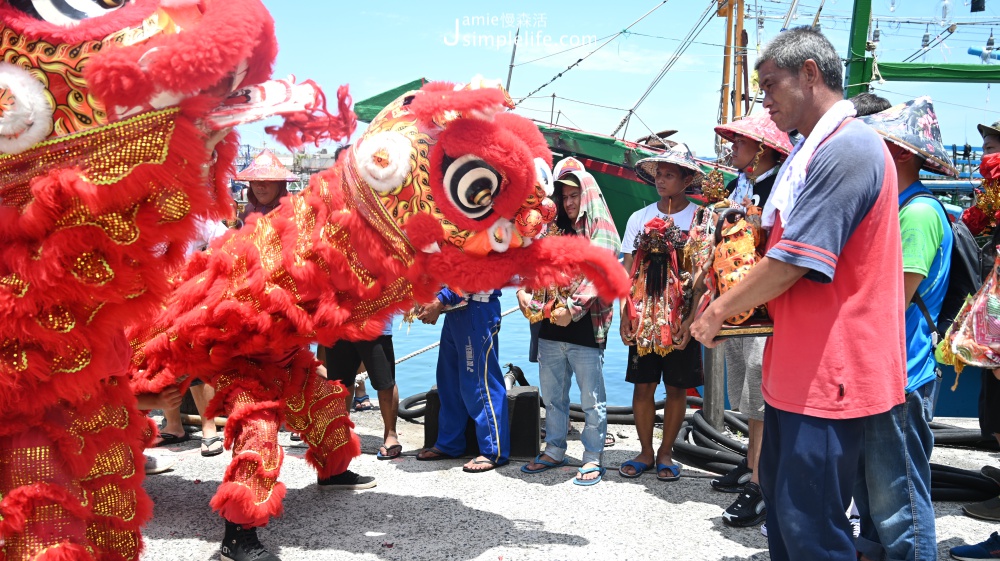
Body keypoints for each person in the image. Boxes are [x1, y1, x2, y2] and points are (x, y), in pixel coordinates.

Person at [691, 27, 906, 561]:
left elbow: (794, 259)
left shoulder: (850, 147)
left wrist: (719, 310)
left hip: (830, 373)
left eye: (769, 85)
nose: (763, 99)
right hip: (796, 370)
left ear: (810, 73)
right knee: (787, 524)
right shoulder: (809, 154)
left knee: (815, 531)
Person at [856, 96, 958, 561]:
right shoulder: (896, 206)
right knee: (872, 496)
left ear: (898, 151)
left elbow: (892, 299)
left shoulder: (916, 214)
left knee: (899, 499)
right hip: (877, 372)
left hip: (901, 374)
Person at [709, 112, 793, 528]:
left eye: (740, 142)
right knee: (743, 386)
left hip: (766, 303)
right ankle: (749, 463)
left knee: (759, 395)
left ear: (762, 148)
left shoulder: (781, 185)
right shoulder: (741, 185)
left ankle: (759, 483)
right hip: (741, 301)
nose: (733, 148)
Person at [518, 157, 621, 486]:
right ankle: (555, 450)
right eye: (563, 196)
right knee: (553, 396)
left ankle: (592, 456)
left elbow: (602, 264)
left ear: (587, 195)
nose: (568, 202)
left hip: (586, 329)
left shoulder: (599, 228)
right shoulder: (552, 227)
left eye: (574, 195)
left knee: (591, 399)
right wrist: (523, 290)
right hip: (550, 327)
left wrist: (573, 308)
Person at [617, 144, 704, 483]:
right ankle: (645, 451)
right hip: (642, 317)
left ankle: (666, 453)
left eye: (670, 174)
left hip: (681, 318)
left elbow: (702, 275)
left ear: (686, 180)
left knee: (677, 387)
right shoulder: (638, 219)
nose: (662, 180)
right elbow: (626, 271)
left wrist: (692, 319)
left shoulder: (700, 219)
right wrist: (625, 313)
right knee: (643, 384)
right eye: (659, 174)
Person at [416, 288, 509, 473]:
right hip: (455, 310)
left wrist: (438, 301)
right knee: (449, 382)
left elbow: (472, 274)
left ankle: (493, 451)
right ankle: (450, 443)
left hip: (478, 309)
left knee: (480, 383)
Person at [324, 318, 402, 463]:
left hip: (374, 321)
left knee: (385, 381)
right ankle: (341, 432)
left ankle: (391, 434)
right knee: (339, 382)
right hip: (336, 321)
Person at [237, 149, 295, 223]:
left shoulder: (296, 211)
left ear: (280, 183)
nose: (260, 186)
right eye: (255, 181)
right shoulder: (246, 212)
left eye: (267, 181)